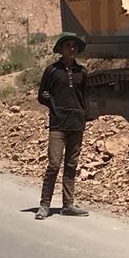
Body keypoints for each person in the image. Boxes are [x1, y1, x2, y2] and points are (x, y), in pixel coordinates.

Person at [35, 32, 89, 219]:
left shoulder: (82, 72)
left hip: (76, 124)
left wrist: (84, 115)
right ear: (61, 49)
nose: (71, 49)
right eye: (68, 46)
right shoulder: (52, 71)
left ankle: (68, 204)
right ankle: (44, 205)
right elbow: (41, 95)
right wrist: (54, 106)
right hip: (58, 125)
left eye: (74, 46)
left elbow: (85, 97)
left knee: (71, 165)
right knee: (54, 164)